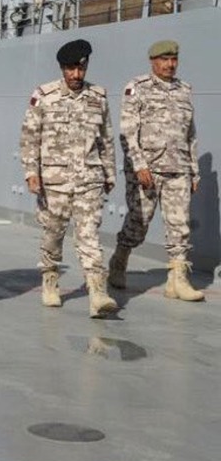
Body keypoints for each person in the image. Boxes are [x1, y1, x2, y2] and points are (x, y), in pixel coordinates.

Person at [20, 39, 118, 316]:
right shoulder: (44, 96)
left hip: (89, 179)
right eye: (71, 69)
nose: (76, 74)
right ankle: (50, 277)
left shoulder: (98, 97)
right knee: (53, 234)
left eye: (81, 69)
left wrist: (109, 172)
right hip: (54, 182)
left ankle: (97, 293)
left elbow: (106, 139)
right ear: (62, 68)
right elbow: (30, 138)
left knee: (89, 236)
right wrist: (31, 173)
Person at [108, 40, 205, 301]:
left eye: (174, 59)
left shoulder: (184, 90)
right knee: (138, 223)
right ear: (153, 61)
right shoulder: (137, 88)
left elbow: (190, 134)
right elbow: (128, 131)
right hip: (147, 171)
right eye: (164, 59)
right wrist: (139, 165)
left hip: (178, 169)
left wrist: (194, 170)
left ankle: (177, 280)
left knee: (180, 226)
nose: (170, 65)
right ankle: (119, 260)